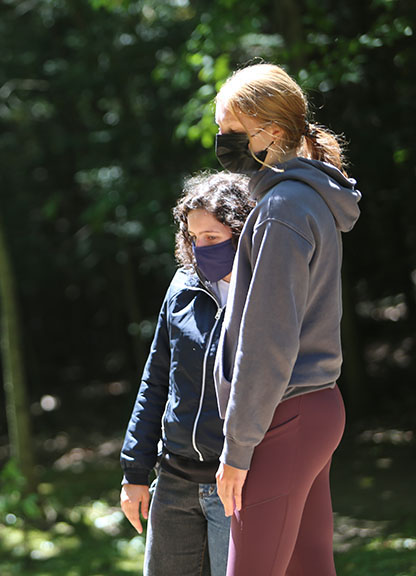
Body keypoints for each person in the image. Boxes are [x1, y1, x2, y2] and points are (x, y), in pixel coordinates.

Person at [212, 63, 361, 576]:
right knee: (309, 566)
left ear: (271, 133)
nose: (222, 142)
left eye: (230, 132)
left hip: (285, 415)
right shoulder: (304, 199)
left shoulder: (282, 210)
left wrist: (237, 448)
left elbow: (267, 342)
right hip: (310, 409)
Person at [120, 171, 254, 576]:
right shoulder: (182, 286)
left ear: (242, 230)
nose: (200, 248)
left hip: (235, 484)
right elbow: (155, 380)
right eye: (193, 238)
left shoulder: (265, 292)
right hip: (174, 481)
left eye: (212, 237)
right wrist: (134, 472)